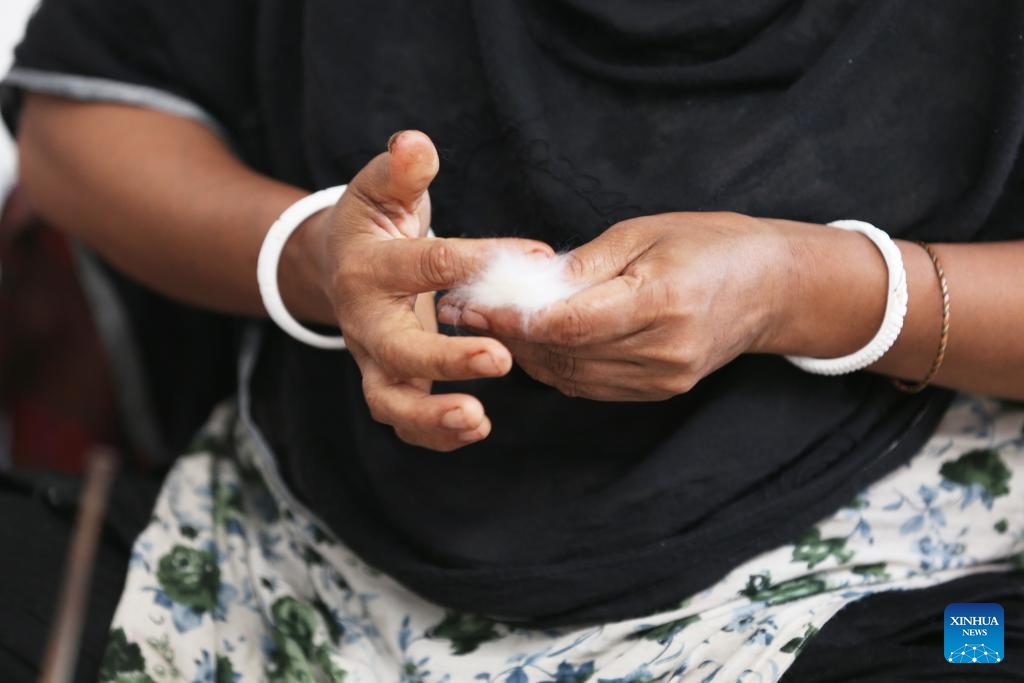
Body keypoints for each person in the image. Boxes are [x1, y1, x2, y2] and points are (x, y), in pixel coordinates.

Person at [1, 1, 1022, 680]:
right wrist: (316, 261)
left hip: (878, 567)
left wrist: (813, 292)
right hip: (288, 542)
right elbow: (75, 126)